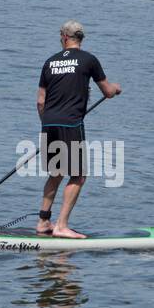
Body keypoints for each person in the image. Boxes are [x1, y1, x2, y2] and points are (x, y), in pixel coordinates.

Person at [35, 21, 121, 239]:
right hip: (71, 124)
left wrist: (47, 125)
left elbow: (40, 101)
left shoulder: (50, 62)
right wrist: (115, 89)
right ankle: (61, 226)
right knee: (79, 175)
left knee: (56, 173)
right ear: (80, 38)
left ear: (65, 37)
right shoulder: (89, 60)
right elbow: (107, 91)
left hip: (49, 122)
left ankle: (43, 222)